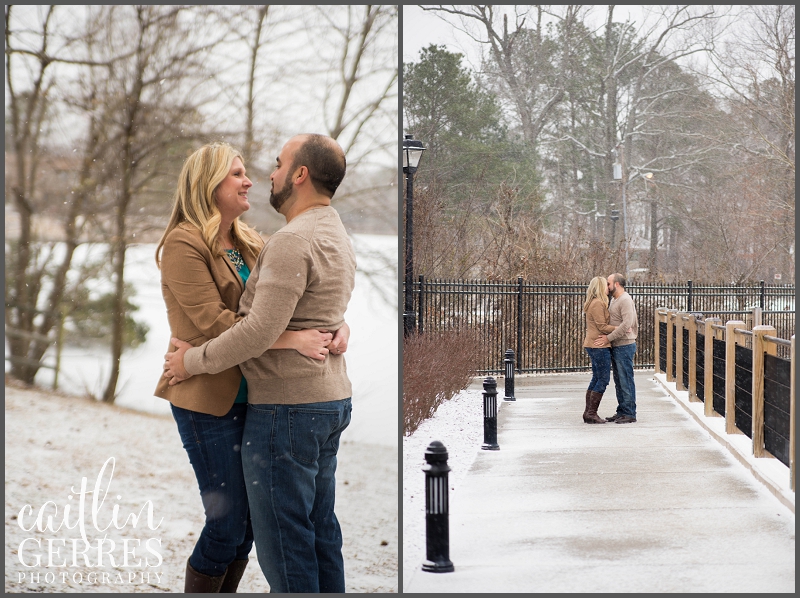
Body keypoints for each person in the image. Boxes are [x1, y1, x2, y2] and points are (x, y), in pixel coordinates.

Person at [163, 133, 356, 593]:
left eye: (257, 168)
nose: (251, 179)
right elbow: (217, 322)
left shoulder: (253, 240)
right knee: (230, 523)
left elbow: (296, 298)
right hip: (209, 394)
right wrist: (290, 338)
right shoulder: (184, 243)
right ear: (208, 183)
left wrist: (337, 324)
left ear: (301, 175)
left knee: (258, 526)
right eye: (236, 173)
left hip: (262, 396)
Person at [594, 273, 639, 423]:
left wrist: (608, 338)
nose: (607, 286)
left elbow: (628, 324)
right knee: (619, 381)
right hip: (617, 345)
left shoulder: (625, 300)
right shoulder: (614, 299)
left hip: (625, 345)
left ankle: (630, 413)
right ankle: (622, 410)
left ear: (617, 284)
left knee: (626, 380)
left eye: (608, 283)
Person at [582, 276, 617, 424]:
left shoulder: (595, 302)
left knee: (596, 378)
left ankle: (588, 413)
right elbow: (602, 326)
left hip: (595, 344)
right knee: (603, 379)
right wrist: (620, 328)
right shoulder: (597, 303)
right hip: (598, 345)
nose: (607, 288)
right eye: (605, 285)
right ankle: (591, 413)